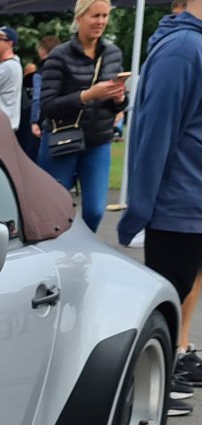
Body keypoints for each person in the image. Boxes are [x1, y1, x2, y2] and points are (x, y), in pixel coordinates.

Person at [117, 0, 201, 402]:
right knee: (164, 300)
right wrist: (140, 210)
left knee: (178, 291)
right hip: (178, 202)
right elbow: (155, 135)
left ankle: (161, 375)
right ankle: (146, 391)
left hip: (191, 200)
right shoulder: (183, 49)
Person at [39, 0, 127, 233]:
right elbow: (47, 107)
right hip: (62, 140)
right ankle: (56, 255)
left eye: (105, 16)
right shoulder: (59, 56)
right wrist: (86, 96)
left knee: (96, 210)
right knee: (53, 210)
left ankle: (83, 253)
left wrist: (119, 100)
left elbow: (115, 104)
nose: (101, 22)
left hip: (97, 141)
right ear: (79, 18)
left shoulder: (113, 53)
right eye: (95, 16)